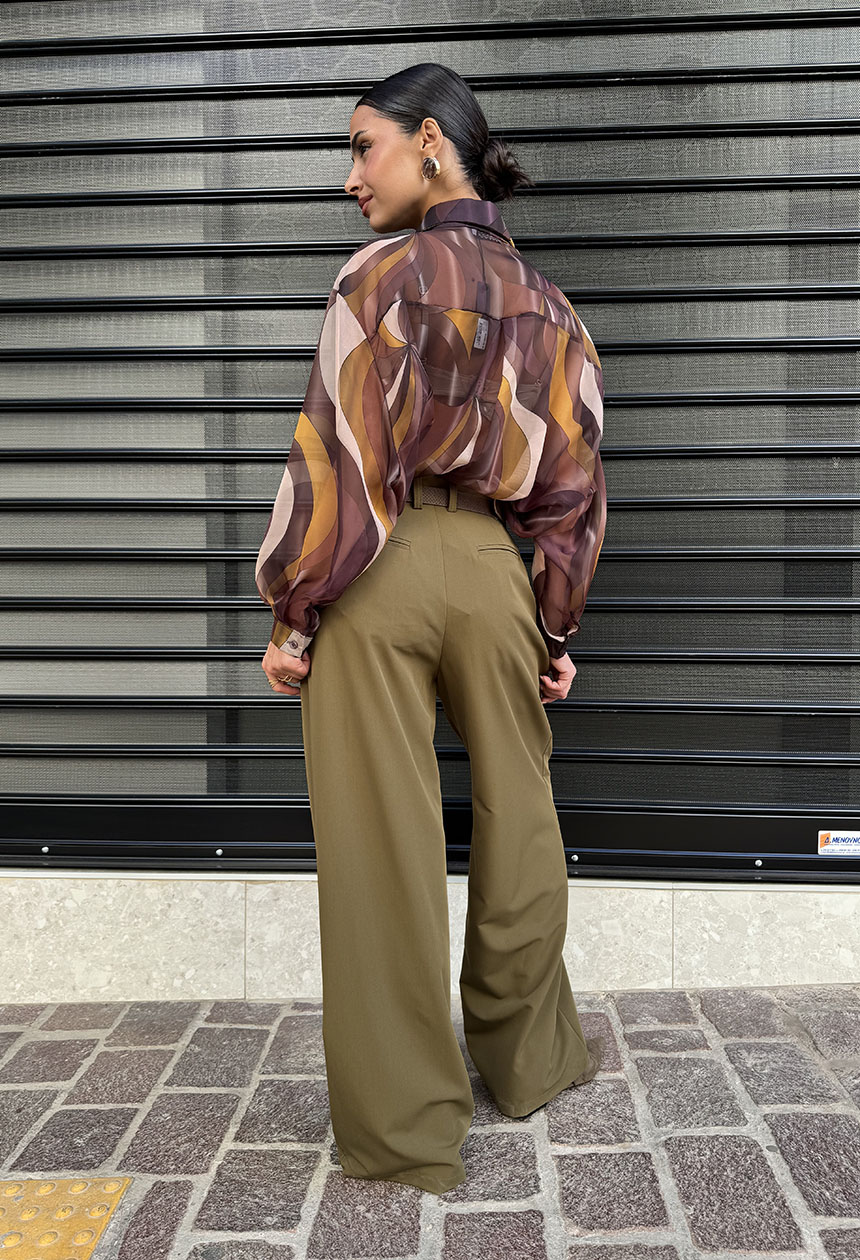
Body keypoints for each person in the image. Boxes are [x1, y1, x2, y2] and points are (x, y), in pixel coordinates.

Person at [254, 62, 607, 1196]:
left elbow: (339, 457)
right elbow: (573, 486)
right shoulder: (554, 308)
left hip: (380, 567)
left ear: (430, 144)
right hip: (495, 571)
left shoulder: (377, 280)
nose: (350, 176)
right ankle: (531, 1060)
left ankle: (409, 1128)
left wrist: (294, 611)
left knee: (382, 846)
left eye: (363, 146)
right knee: (522, 822)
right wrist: (553, 628)